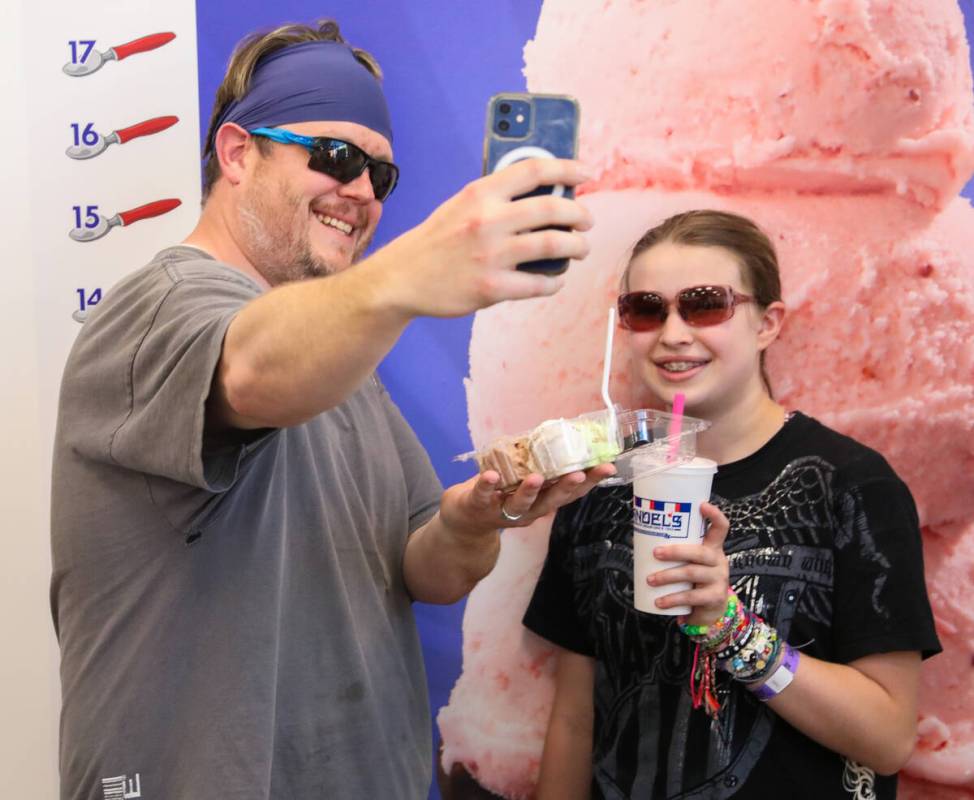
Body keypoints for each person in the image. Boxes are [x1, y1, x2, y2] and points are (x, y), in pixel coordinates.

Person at [49, 19, 615, 800]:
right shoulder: (161, 307)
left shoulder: (342, 357)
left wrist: (473, 520)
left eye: (380, 177)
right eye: (337, 158)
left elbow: (426, 570)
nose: (360, 194)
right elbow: (249, 372)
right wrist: (407, 274)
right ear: (238, 153)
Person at [523, 209, 941, 799]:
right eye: (646, 309)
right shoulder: (600, 485)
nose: (672, 333)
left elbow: (888, 738)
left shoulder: (851, 486)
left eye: (704, 304)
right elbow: (574, 719)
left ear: (768, 323)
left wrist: (730, 627)